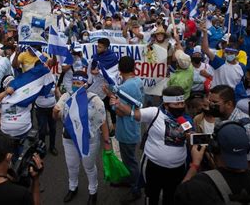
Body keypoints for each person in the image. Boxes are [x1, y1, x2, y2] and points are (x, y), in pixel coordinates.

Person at [110, 86, 192, 205]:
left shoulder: (186, 119)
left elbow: (192, 140)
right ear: (166, 105)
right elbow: (131, 113)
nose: (180, 107)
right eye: (176, 104)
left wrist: (192, 138)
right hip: (153, 166)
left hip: (178, 169)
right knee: (152, 195)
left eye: (182, 103)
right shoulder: (154, 112)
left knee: (170, 197)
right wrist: (118, 104)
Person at [53, 71, 111, 204]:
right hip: (69, 139)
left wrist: (107, 142)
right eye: (74, 83)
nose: (75, 86)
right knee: (71, 166)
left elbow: (102, 122)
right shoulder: (66, 96)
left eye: (79, 83)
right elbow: (55, 116)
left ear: (85, 84)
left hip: (88, 140)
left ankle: (93, 191)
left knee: (89, 167)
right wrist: (55, 112)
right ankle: (72, 188)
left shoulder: (94, 99)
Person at [175, 123, 250, 205]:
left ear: (215, 148)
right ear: (247, 148)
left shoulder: (200, 184)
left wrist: (195, 165)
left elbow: (179, 195)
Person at [105, 56, 142, 204]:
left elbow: (119, 111)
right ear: (134, 67)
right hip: (133, 126)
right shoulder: (137, 81)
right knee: (129, 159)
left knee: (130, 160)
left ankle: (135, 188)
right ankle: (129, 179)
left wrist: (111, 98)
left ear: (119, 70)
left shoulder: (125, 87)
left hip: (127, 129)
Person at [207, 85, 250, 169]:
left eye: (214, 102)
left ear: (229, 104)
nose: (210, 105)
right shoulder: (219, 117)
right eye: (209, 101)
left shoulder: (248, 129)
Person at [201, 20, 245, 91]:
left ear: (237, 54)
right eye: (227, 52)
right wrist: (205, 32)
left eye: (231, 53)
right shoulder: (219, 63)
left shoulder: (242, 67)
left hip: (231, 97)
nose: (229, 54)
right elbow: (205, 49)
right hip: (216, 96)